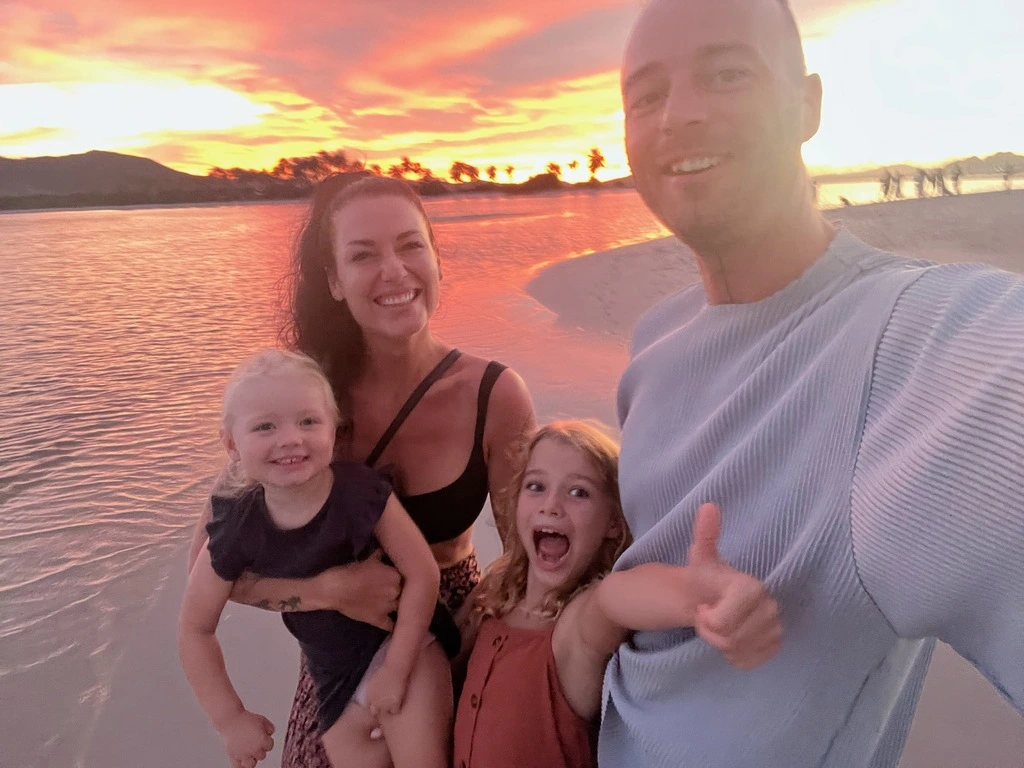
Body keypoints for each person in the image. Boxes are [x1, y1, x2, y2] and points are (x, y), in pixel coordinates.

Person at [607, 0, 1024, 766]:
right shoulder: (652, 343)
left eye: (727, 73)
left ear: (808, 105)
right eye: (647, 95)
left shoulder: (915, 345)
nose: (679, 116)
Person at [187, 174, 535, 768]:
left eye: (409, 245)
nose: (394, 271)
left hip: (458, 625)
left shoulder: (493, 395)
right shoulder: (296, 407)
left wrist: (482, 642)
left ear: (435, 257)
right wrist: (327, 590)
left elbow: (525, 560)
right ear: (334, 282)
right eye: (362, 255)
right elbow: (213, 569)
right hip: (336, 651)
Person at [180, 350, 458, 768]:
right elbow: (194, 628)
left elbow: (423, 574)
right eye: (265, 426)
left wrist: (397, 670)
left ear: (333, 429)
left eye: (308, 421)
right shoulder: (237, 524)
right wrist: (230, 719)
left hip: (403, 649)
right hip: (333, 685)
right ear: (231, 445)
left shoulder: (360, 494)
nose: (290, 438)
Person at [453, 422, 782, 768]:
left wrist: (696, 595)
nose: (551, 505)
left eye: (578, 492)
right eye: (535, 486)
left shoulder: (574, 629)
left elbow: (615, 599)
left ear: (612, 521)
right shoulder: (493, 598)